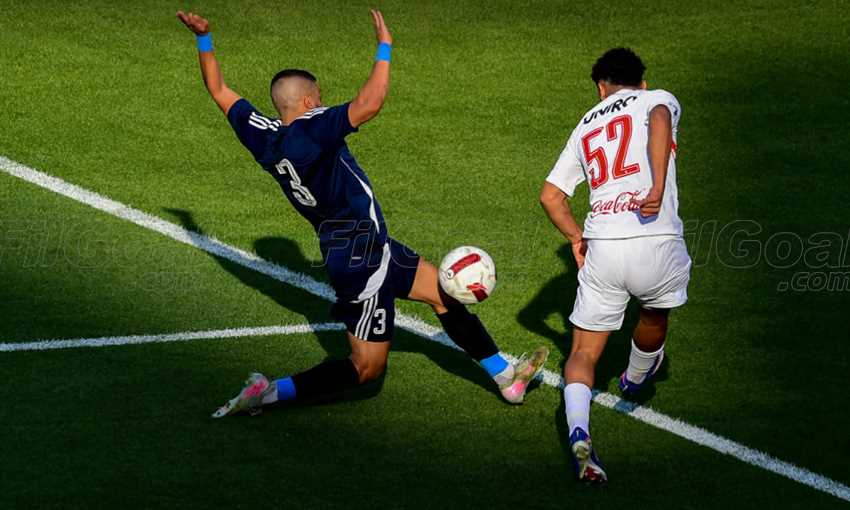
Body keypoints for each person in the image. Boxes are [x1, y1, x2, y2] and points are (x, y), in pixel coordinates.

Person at [175, 9, 549, 417]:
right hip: (359, 261)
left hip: (366, 244)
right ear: (307, 102)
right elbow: (369, 104)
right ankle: (269, 393)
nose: (322, 102)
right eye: (318, 97)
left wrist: (204, 38)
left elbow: (219, 90)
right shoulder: (313, 127)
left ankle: (506, 378)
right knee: (367, 368)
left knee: (442, 293)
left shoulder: (264, 137)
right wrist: (384, 47)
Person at [539, 48, 692, 482]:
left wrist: (576, 238)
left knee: (582, 353)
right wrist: (656, 187)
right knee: (654, 313)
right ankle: (635, 379)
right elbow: (659, 118)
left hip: (603, 244)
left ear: (600, 87)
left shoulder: (586, 123)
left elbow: (551, 196)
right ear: (641, 82)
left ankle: (579, 431)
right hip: (656, 239)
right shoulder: (657, 98)